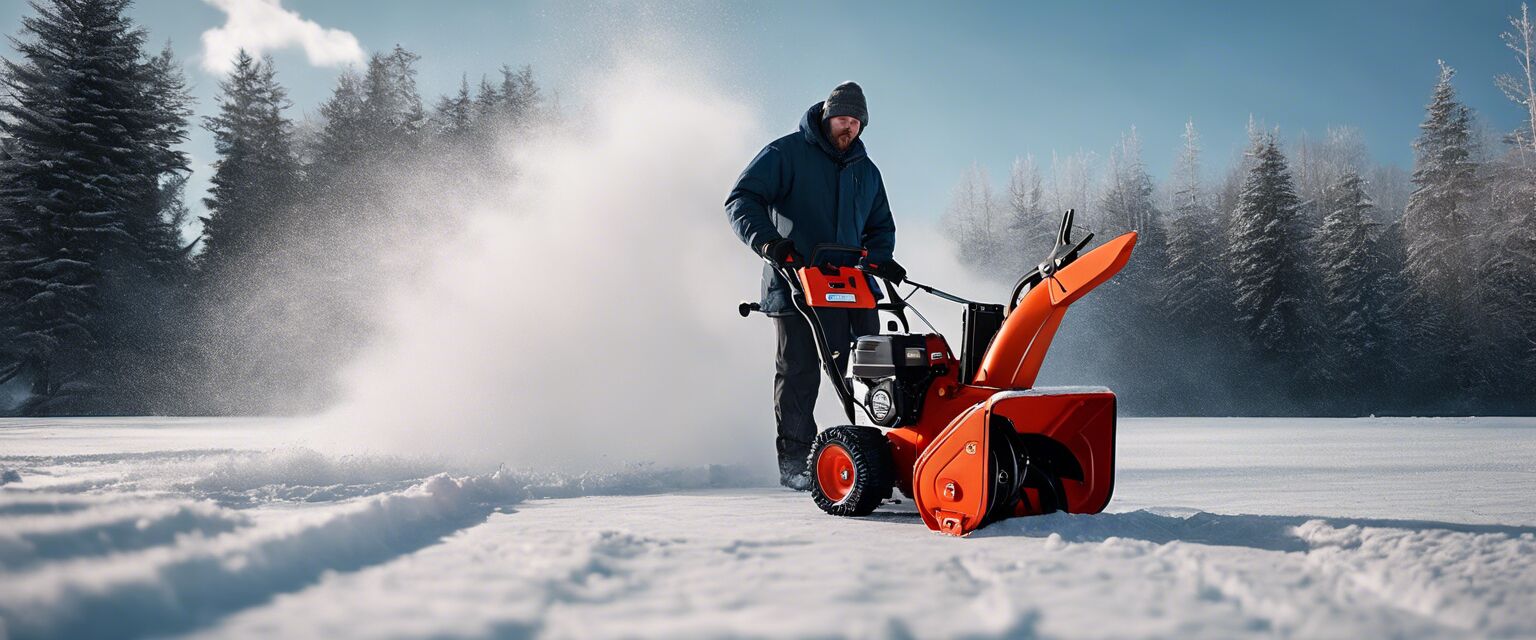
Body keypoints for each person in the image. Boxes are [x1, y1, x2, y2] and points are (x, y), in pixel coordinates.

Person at [724, 81, 907, 490]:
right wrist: (771, 243)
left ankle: (881, 457)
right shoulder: (785, 154)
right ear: (827, 117)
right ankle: (797, 465)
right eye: (843, 119)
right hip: (796, 284)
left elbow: (880, 227)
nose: (849, 128)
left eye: (856, 122)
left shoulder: (867, 171)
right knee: (800, 373)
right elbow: (741, 200)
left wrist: (880, 258)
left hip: (852, 288)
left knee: (874, 369)